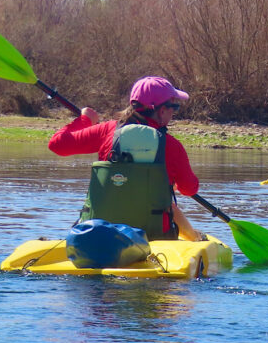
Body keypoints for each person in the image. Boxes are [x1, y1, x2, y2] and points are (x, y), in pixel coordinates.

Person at [48, 76, 203, 241]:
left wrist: (85, 120)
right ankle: (197, 238)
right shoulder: (172, 146)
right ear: (162, 110)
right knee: (166, 204)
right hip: (154, 235)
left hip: (99, 231)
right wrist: (174, 183)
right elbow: (190, 189)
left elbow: (57, 145)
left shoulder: (106, 131)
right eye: (174, 107)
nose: (174, 112)